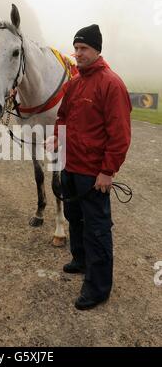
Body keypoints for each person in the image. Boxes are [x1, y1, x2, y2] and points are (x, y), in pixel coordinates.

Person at [47, 24, 132, 310]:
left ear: (97, 50)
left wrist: (108, 170)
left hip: (94, 173)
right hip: (71, 167)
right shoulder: (74, 84)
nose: (78, 53)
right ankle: (80, 260)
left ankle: (98, 288)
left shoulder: (112, 84)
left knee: (97, 228)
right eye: (76, 48)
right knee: (74, 217)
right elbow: (62, 117)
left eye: (83, 49)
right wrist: (56, 139)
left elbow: (120, 134)